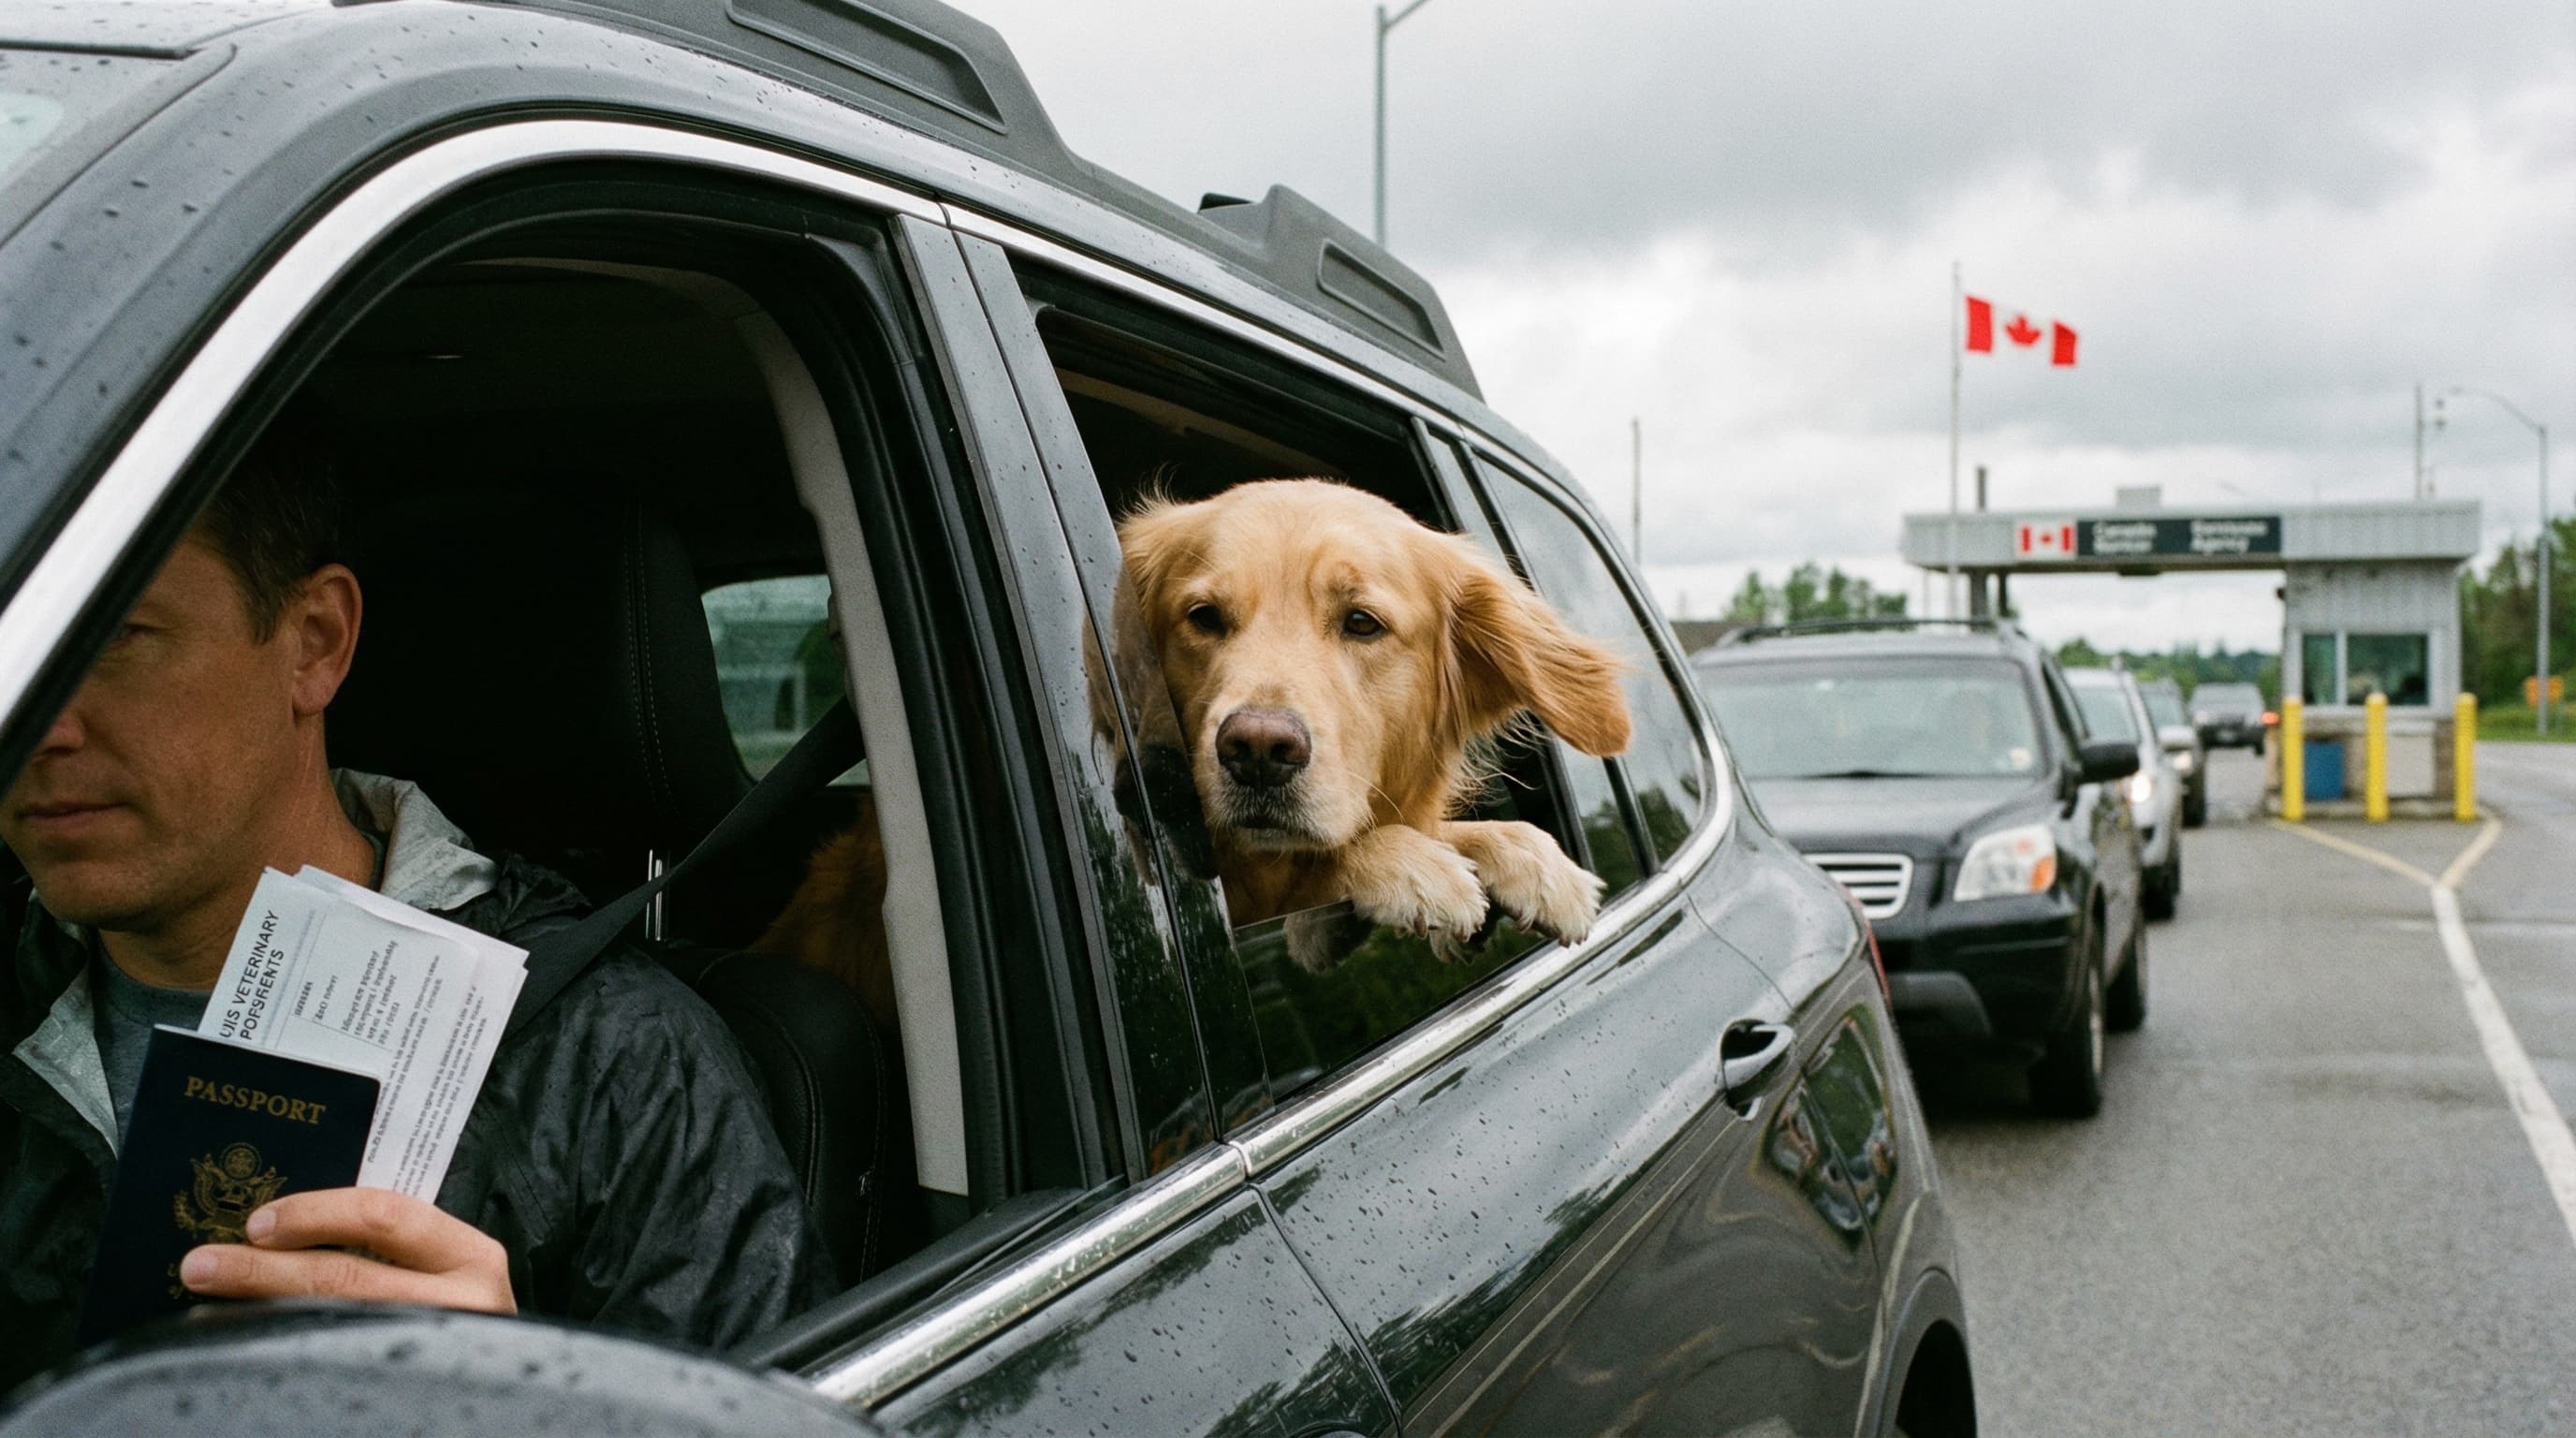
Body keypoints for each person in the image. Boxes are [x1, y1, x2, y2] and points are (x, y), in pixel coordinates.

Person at [0, 422, 832, 1387]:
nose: (36, 723)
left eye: (116, 642)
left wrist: (531, 1410)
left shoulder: (615, 1060)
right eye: (12, 657)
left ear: (315, 643)